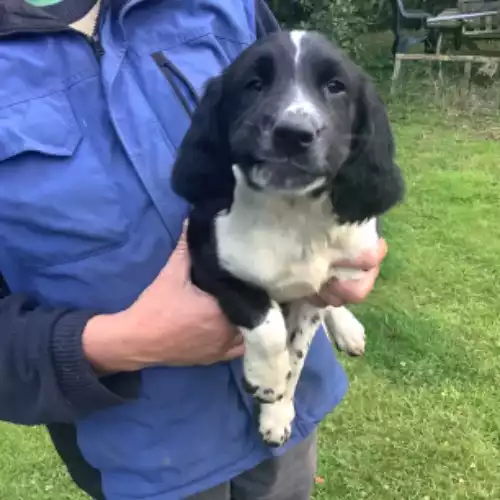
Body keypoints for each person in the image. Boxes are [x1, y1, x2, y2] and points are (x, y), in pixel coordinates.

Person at [0, 1, 388, 499]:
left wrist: (349, 242)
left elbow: (333, 124)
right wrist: (117, 343)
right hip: (142, 450)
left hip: (291, 405)